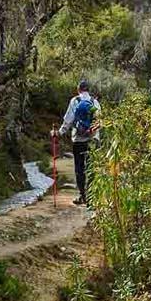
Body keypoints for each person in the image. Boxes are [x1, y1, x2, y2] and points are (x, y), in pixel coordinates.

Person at [54, 79, 102, 207]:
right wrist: (95, 136)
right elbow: (99, 122)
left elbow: (68, 121)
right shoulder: (95, 102)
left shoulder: (75, 101)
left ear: (78, 89)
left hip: (78, 140)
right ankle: (92, 199)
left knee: (79, 169)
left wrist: (59, 133)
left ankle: (82, 196)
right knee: (91, 168)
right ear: (88, 89)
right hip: (92, 140)